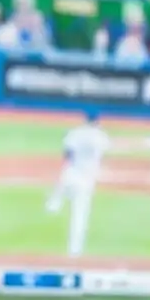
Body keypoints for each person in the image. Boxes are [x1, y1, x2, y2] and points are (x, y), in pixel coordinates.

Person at [46, 110, 112, 257]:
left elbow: (67, 154)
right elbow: (104, 153)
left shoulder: (75, 133)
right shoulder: (101, 135)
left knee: (62, 183)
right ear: (97, 121)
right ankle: (74, 250)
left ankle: (54, 204)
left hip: (72, 173)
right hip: (87, 179)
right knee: (79, 214)